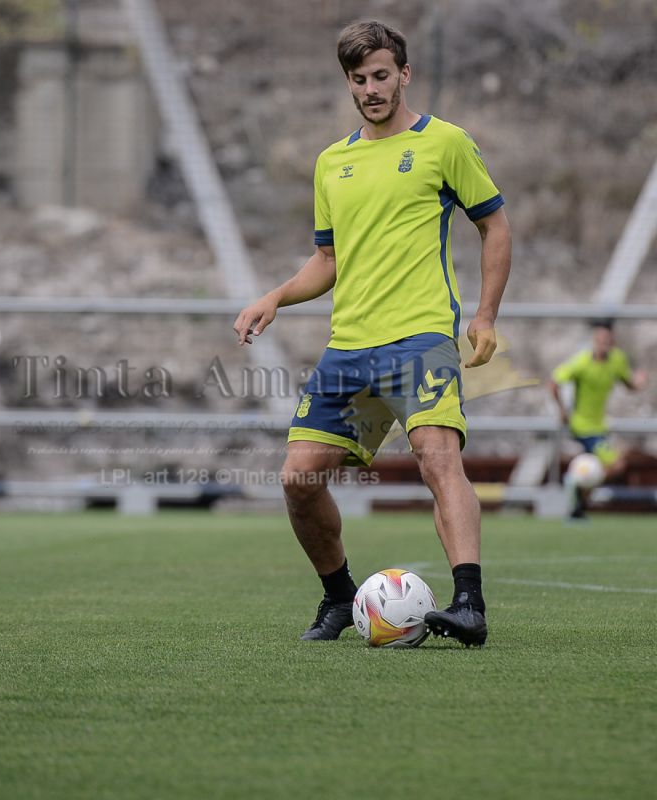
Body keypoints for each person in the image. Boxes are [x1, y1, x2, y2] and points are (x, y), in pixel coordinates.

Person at [233, 21, 511, 647]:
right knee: (298, 479)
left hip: (420, 339)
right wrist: (275, 297)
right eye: (358, 79)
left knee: (437, 458)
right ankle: (339, 598)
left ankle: (469, 604)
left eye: (381, 75)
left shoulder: (445, 143)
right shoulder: (332, 162)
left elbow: (495, 226)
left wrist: (485, 315)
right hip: (349, 348)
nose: (371, 89)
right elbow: (327, 261)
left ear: (404, 74)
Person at [549, 319, 647, 519]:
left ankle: (577, 507)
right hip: (583, 426)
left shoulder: (617, 359)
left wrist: (639, 382)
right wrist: (562, 411)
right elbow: (553, 383)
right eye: (600, 340)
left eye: (607, 340)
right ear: (594, 340)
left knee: (596, 467)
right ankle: (577, 483)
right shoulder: (582, 362)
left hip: (600, 425)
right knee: (617, 465)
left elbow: (629, 384)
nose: (604, 344)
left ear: (612, 340)